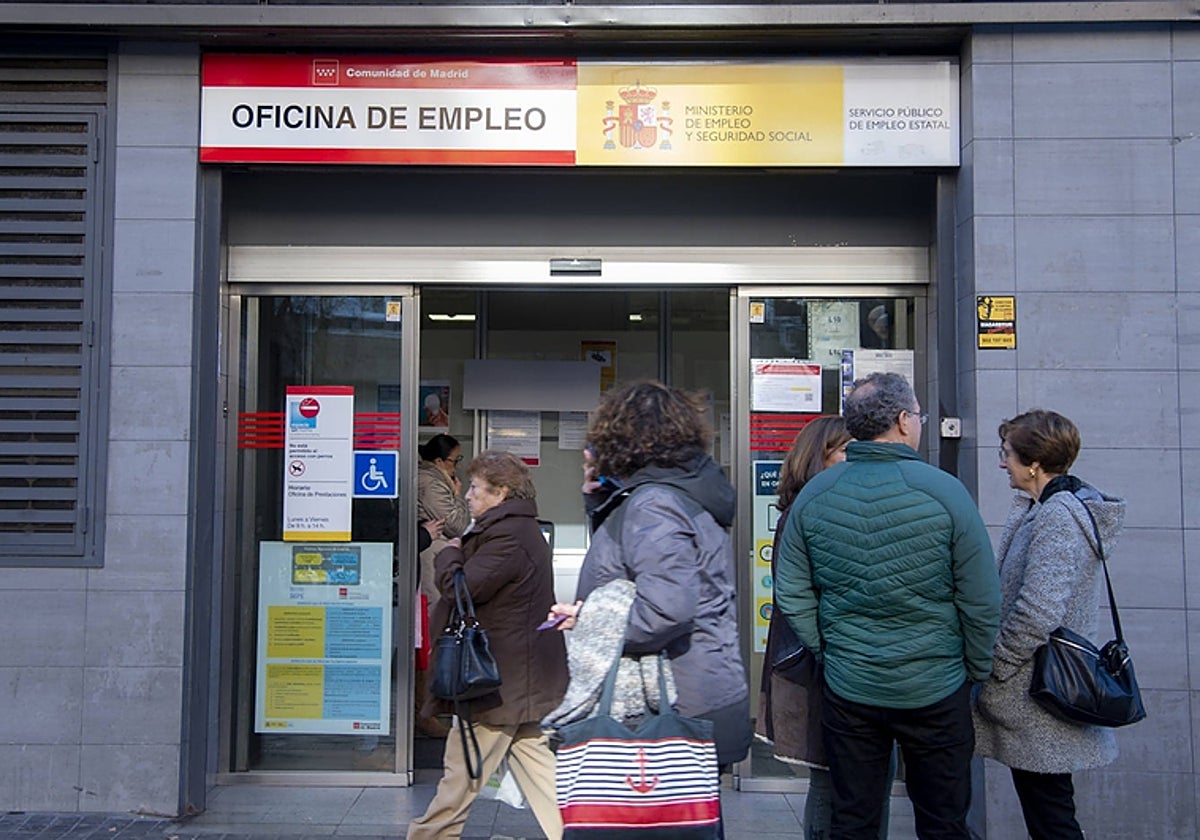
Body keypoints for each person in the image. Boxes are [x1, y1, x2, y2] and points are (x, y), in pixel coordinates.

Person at [774, 372, 1001, 840]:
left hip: (850, 686)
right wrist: (976, 669)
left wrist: (829, 649)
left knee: (853, 820)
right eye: (918, 415)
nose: (918, 423)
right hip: (936, 686)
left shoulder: (816, 495)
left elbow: (791, 589)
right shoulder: (945, 492)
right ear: (902, 421)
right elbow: (981, 598)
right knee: (943, 822)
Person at [549, 380, 752, 768]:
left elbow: (665, 610)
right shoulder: (676, 494)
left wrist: (590, 619)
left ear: (622, 439)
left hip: (677, 705)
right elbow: (629, 567)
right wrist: (601, 502)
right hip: (698, 691)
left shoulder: (655, 505)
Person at [973, 410, 1125, 840]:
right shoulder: (1047, 508)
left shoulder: (1058, 516)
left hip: (1039, 695)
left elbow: (1039, 609)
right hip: (1036, 694)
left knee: (1052, 819)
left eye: (1007, 453)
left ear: (1033, 463)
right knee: (1049, 812)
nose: (1001, 463)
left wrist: (997, 664)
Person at [407, 450, 569, 840]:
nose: (467, 495)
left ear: (501, 492)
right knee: (537, 767)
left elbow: (460, 587)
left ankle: (429, 836)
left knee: (460, 772)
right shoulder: (511, 530)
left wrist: (449, 553)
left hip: (497, 682)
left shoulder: (508, 536)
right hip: (513, 679)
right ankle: (578, 831)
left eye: (476, 488)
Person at [757, 415, 893, 840]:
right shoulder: (805, 513)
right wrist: (833, 648)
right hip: (823, 665)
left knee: (859, 778)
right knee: (831, 778)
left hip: (843, 661)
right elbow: (798, 597)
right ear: (819, 457)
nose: (855, 459)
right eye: (845, 451)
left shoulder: (834, 507)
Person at [415, 434, 471, 738]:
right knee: (430, 635)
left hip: (434, 562)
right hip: (429, 564)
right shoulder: (432, 483)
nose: (456, 467)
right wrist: (458, 495)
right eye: (454, 460)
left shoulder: (432, 479)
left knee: (433, 633)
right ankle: (424, 711)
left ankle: (431, 705)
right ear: (439, 461)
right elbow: (458, 525)